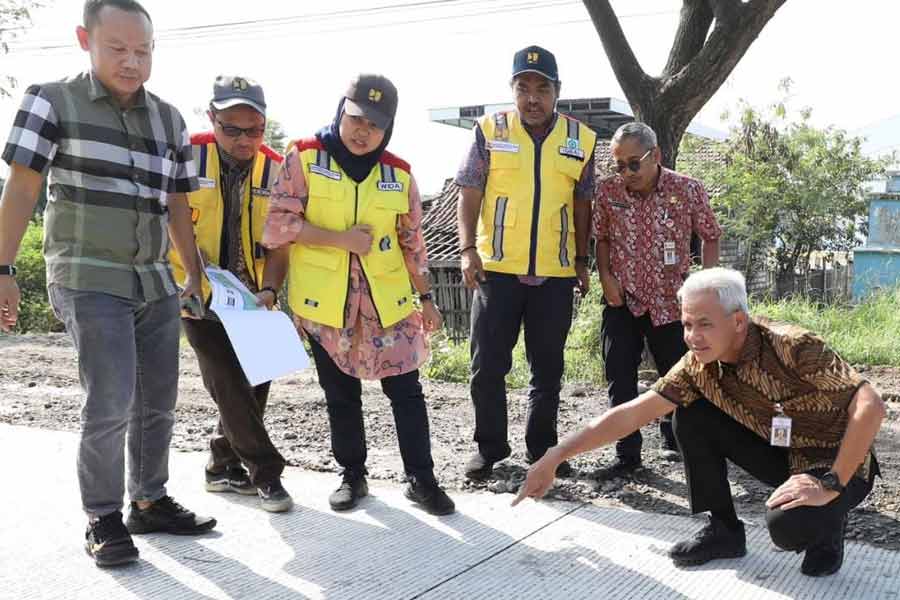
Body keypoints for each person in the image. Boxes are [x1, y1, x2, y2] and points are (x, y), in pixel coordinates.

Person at [0, 0, 216, 568]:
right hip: (86, 274)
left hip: (154, 278)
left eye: (142, 51)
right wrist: (2, 270)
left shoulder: (170, 119)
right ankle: (102, 516)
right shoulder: (50, 101)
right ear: (84, 40)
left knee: (160, 399)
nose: (131, 62)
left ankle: (149, 498)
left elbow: (176, 202)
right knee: (111, 397)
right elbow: (21, 189)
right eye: (117, 49)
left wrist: (191, 271)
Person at [515, 268, 885, 577]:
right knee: (690, 414)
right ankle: (724, 530)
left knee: (788, 528)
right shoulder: (697, 366)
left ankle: (828, 528)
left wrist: (831, 484)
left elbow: (870, 404)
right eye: (687, 324)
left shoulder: (793, 346)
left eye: (704, 324)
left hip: (839, 463)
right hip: (781, 454)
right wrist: (555, 456)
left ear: (738, 321)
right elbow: (630, 414)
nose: (692, 336)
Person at [261, 74, 455, 516]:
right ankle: (352, 474)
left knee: (406, 390)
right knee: (340, 392)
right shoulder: (305, 157)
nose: (363, 132)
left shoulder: (399, 173)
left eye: (375, 125)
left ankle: (421, 479)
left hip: (388, 304)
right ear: (341, 111)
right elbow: (276, 226)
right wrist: (338, 238)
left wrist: (426, 298)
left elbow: (413, 243)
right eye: (356, 119)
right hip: (325, 304)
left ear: (388, 128)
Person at [456, 45, 597, 480]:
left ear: (557, 91)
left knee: (548, 368)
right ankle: (490, 449)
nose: (532, 97)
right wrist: (467, 250)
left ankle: (544, 451)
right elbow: (469, 190)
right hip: (496, 268)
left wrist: (580, 259)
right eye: (523, 88)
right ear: (512, 89)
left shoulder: (581, 139)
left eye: (542, 88)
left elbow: (583, 202)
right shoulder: (490, 130)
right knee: (487, 365)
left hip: (554, 274)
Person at [169, 75, 292, 513]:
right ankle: (267, 474)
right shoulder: (187, 156)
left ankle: (221, 466)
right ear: (212, 119)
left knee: (258, 380)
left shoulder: (277, 169)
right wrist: (192, 276)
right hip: (196, 292)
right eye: (232, 129)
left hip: (253, 296)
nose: (244, 139)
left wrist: (271, 290)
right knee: (228, 381)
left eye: (254, 130)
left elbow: (279, 242)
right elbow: (169, 216)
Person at [593, 121, 721, 477]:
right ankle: (627, 455)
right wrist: (605, 276)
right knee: (619, 376)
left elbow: (710, 235)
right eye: (619, 165)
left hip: (671, 302)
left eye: (634, 163)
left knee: (677, 377)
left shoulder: (687, 190)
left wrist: (705, 284)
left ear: (656, 156)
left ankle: (678, 442)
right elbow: (600, 237)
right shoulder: (607, 192)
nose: (626, 173)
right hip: (623, 300)